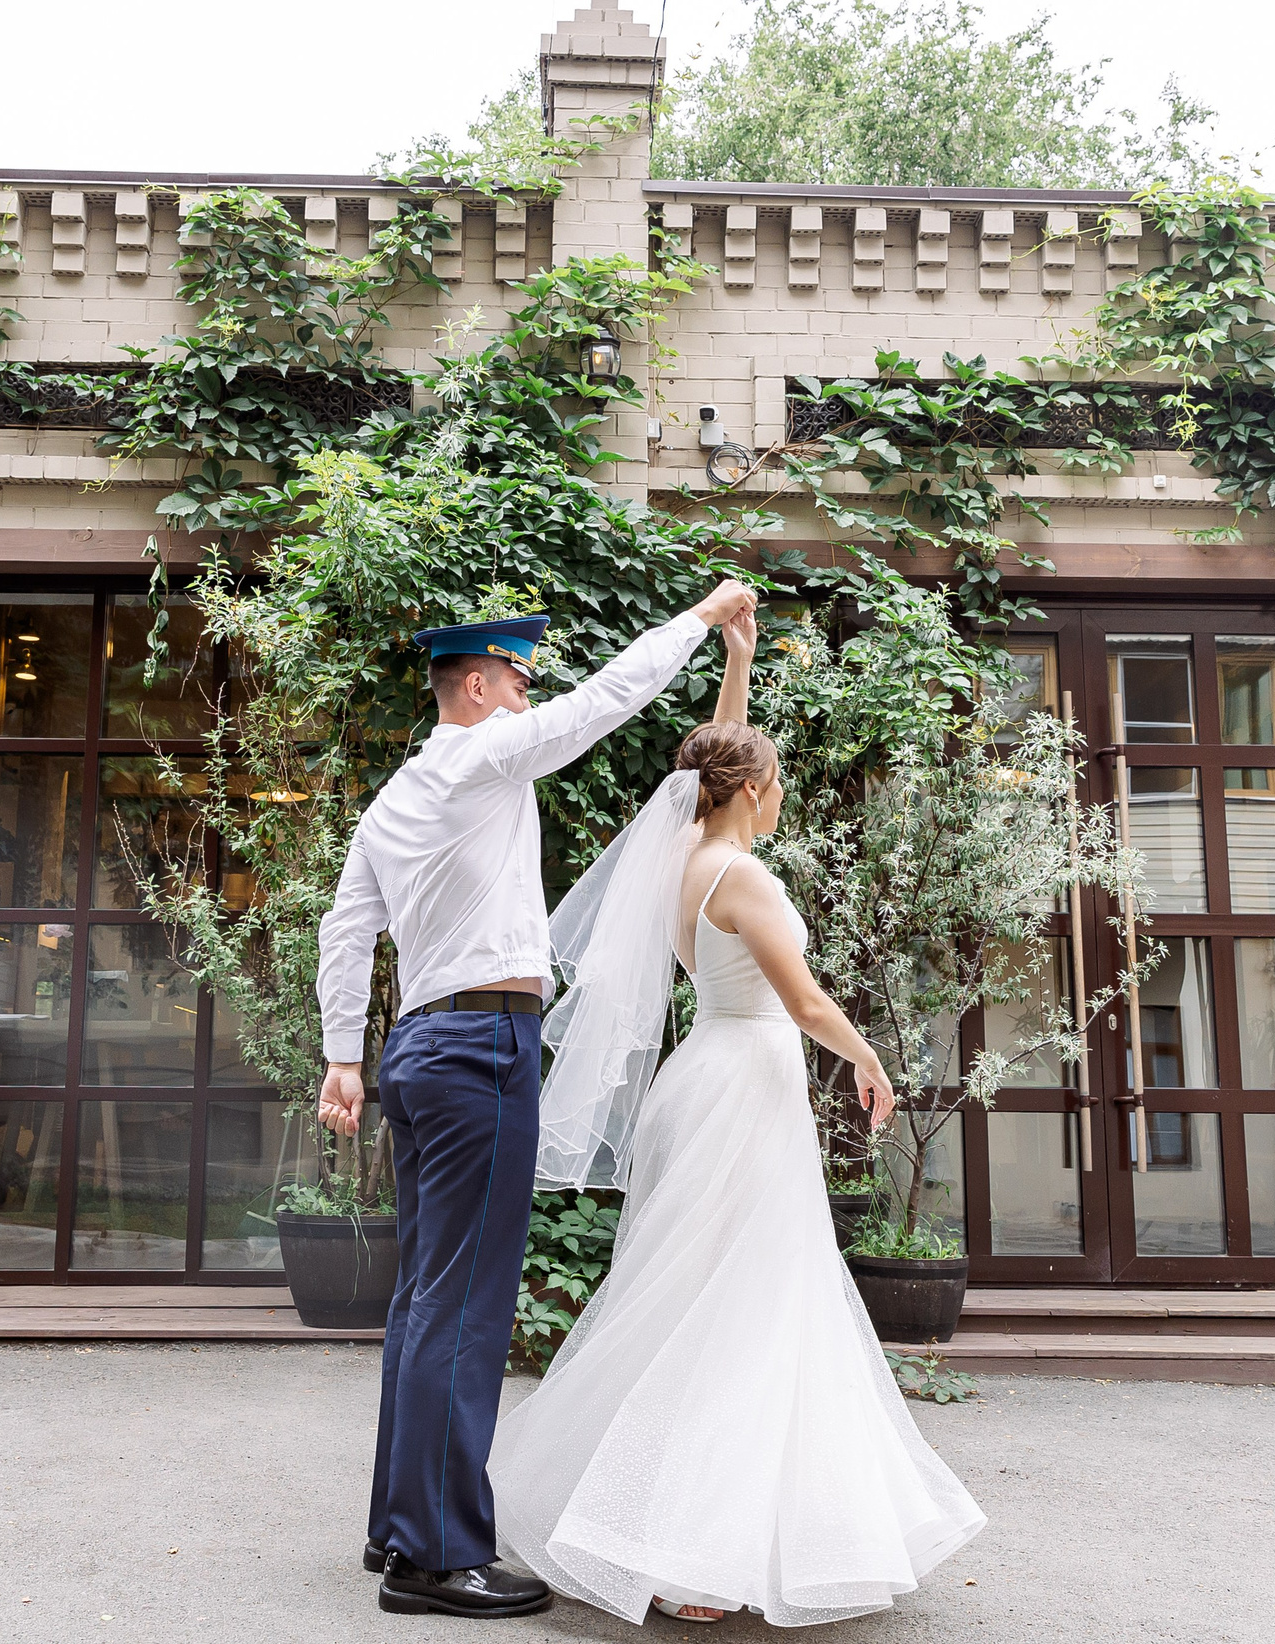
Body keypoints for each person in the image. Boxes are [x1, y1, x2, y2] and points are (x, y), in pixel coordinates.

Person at [484, 630, 987, 1626]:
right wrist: (869, 1056)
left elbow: (714, 744)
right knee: (737, 1299)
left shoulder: (683, 856)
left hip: (706, 1075)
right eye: (777, 777)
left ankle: (685, 1530)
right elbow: (801, 1004)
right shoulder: (743, 878)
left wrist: (739, 660)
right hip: (746, 1081)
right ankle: (683, 1548)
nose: (784, 789)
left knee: (704, 1290)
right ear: (752, 790)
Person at [316, 580, 762, 1619]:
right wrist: (697, 620)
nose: (530, 695)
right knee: (465, 1306)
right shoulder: (480, 752)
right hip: (480, 1046)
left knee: (427, 1297)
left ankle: (401, 1531)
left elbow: (346, 932)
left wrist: (345, 1054)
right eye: (518, 678)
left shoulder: (397, 797)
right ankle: (437, 1558)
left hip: (421, 1045)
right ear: (476, 686)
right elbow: (605, 699)